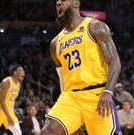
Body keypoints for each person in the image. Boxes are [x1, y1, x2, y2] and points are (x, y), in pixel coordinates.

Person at [41, 0, 121, 134]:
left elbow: (114, 61)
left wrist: (108, 92)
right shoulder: (55, 43)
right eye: (57, 2)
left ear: (76, 3)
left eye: (63, 0)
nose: (58, 3)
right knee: (47, 132)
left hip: (97, 94)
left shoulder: (95, 26)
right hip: (71, 97)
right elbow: (62, 79)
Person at [0, 65, 25, 135]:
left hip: (8, 111)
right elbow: (2, 101)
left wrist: (11, 113)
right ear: (15, 72)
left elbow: (12, 101)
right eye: (21, 70)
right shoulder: (6, 82)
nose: (23, 72)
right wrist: (8, 116)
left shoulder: (19, 84)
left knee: (18, 132)